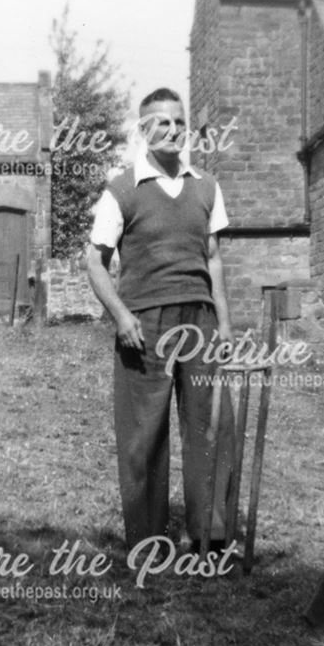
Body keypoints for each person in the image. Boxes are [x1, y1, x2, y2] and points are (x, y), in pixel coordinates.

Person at [86, 88, 234, 554]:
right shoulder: (122, 189)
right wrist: (122, 316)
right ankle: (148, 542)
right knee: (144, 432)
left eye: (179, 122)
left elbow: (213, 259)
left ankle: (209, 536)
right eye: (161, 123)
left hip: (200, 319)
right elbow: (94, 261)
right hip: (145, 324)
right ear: (143, 131)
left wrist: (224, 324)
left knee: (210, 425)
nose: (173, 130)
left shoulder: (206, 186)